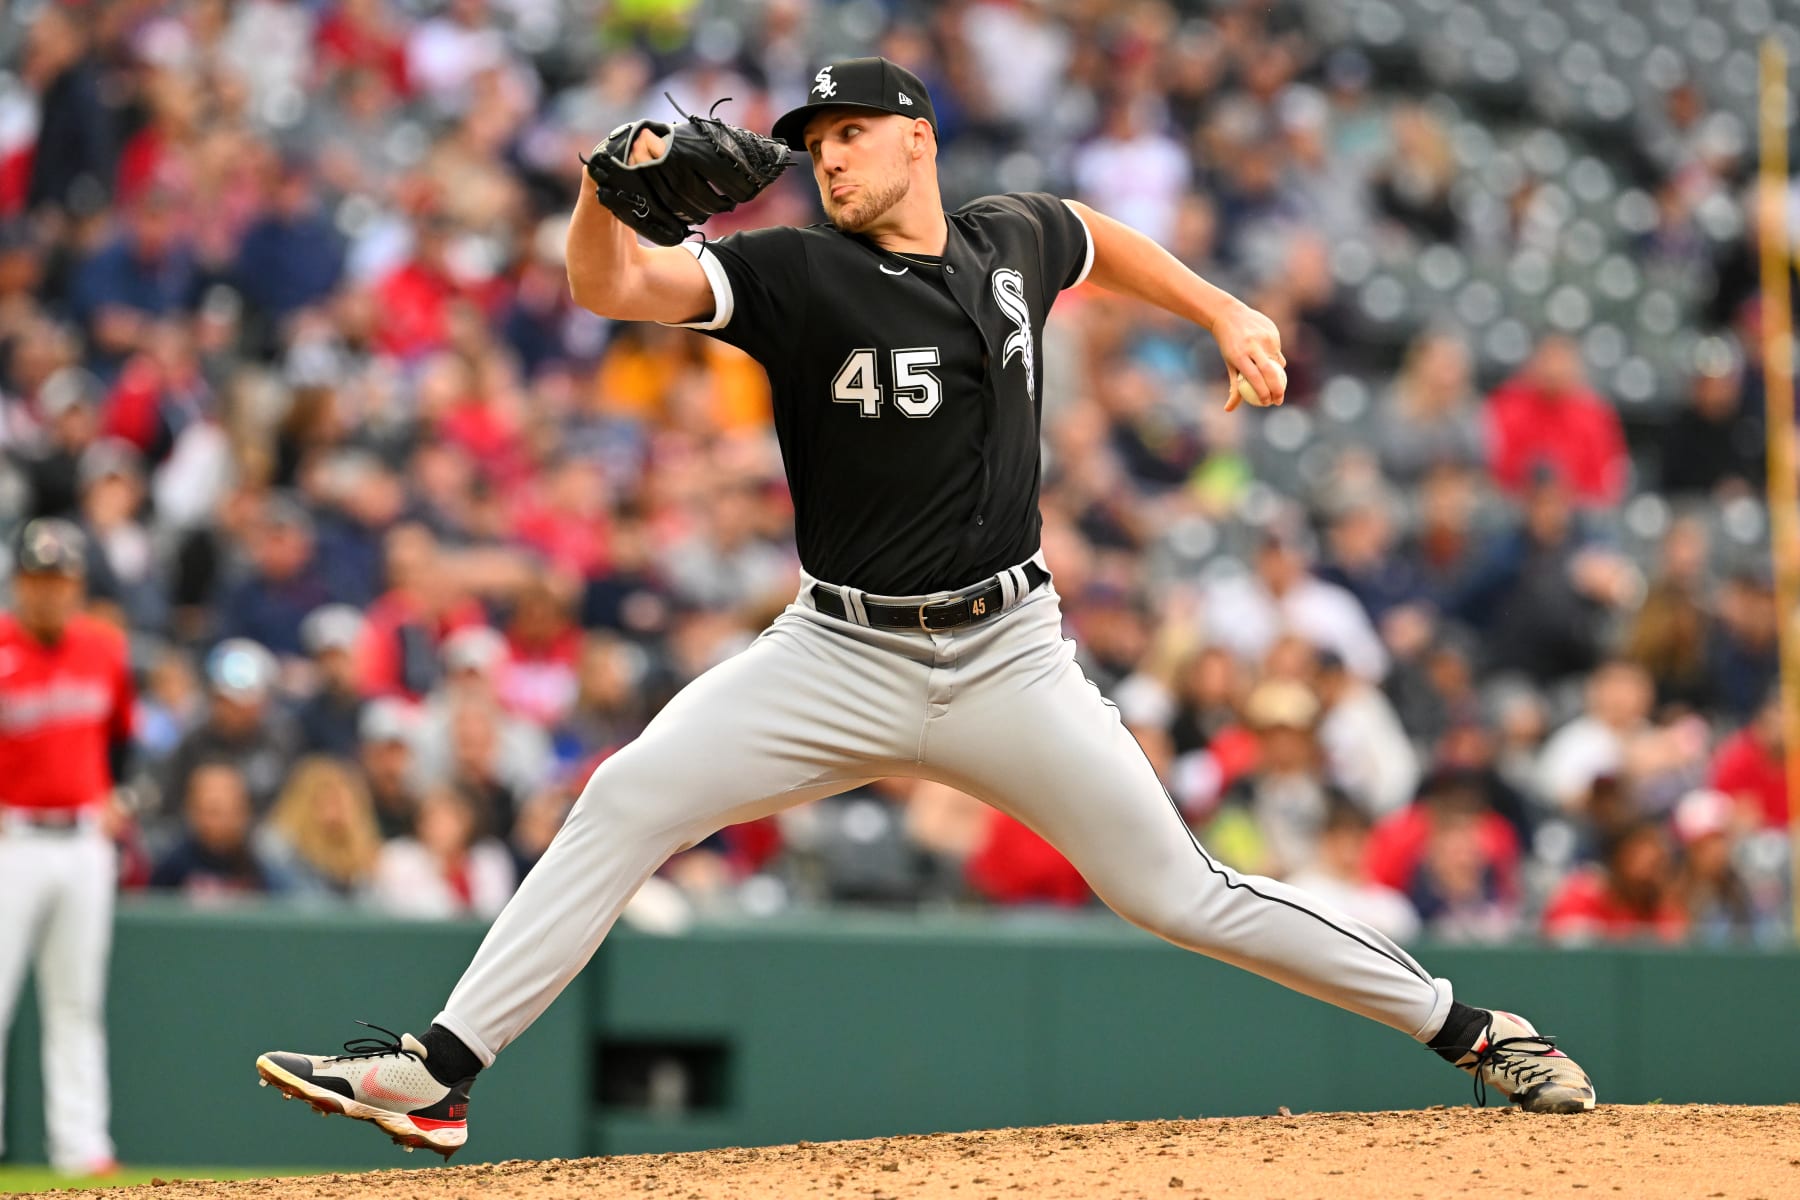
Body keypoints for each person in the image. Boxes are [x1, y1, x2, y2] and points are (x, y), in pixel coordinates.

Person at [254, 57, 1594, 1158]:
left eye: (847, 134)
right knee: (627, 796)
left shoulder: (1009, 236)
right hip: (833, 651)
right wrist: (615, 192)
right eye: (812, 141)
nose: (824, 159)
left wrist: (1219, 306)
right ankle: (438, 1070)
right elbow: (612, 285)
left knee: (1179, 891)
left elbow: (1094, 241)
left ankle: (1474, 1029)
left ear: (916, 139)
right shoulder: (794, 276)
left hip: (1011, 655)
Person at [0, 520, 129, 1175]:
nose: (49, 591)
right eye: (38, 578)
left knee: (77, 1001)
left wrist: (121, 801)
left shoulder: (103, 649)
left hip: (82, 840)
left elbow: (126, 742)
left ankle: (81, 1149)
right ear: (20, 580)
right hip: (13, 840)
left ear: (76, 584)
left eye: (60, 579)